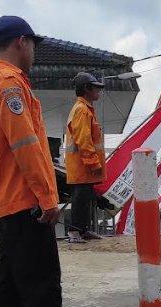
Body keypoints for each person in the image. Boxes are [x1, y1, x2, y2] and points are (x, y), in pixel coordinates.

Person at [0, 15, 103, 307]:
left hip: (6, 200)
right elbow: (25, 147)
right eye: (32, 44)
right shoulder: (10, 84)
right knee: (43, 283)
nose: (34, 52)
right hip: (25, 199)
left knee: (11, 285)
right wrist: (47, 197)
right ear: (20, 42)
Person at [64, 72, 106, 243]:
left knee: (86, 197)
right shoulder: (82, 110)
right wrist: (93, 163)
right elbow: (84, 140)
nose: (99, 91)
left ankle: (82, 230)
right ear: (87, 89)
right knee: (81, 197)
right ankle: (74, 232)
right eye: (96, 88)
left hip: (83, 165)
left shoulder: (85, 109)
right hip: (82, 165)